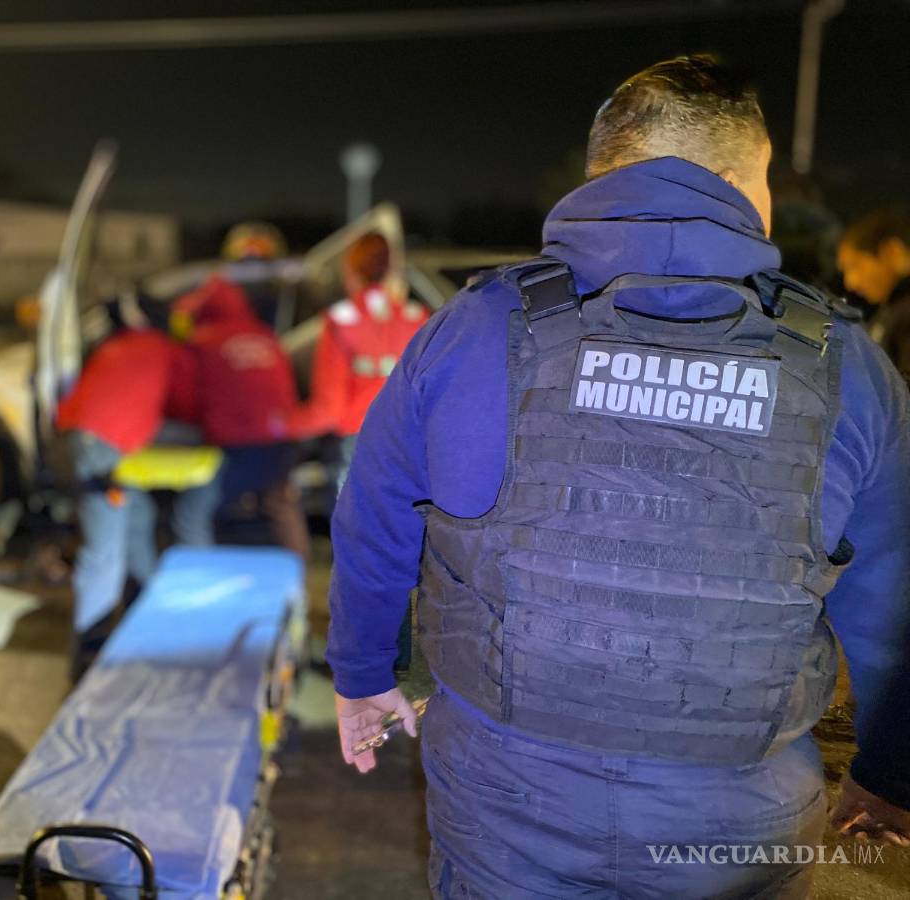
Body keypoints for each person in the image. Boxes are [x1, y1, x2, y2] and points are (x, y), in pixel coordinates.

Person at [329, 55, 910, 898]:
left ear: (603, 173)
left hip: (504, 800)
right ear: (747, 179)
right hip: (731, 825)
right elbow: (898, 598)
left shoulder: (475, 327)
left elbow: (375, 515)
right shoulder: (847, 367)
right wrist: (891, 773)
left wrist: (363, 675)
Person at [54, 296, 196, 671]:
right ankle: (89, 654)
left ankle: (147, 613)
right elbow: (188, 401)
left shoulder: (123, 343)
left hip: (83, 437)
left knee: (137, 518)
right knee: (105, 551)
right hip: (100, 445)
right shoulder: (166, 351)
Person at [171, 274, 310, 558]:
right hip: (281, 444)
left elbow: (183, 402)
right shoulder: (267, 337)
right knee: (282, 507)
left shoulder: (201, 343)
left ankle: (202, 589)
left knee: (190, 514)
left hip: (234, 450)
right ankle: (297, 591)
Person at [280, 231, 427, 483]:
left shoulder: (341, 322)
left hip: (357, 444)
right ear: (392, 270)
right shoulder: (416, 317)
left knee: (353, 520)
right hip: (409, 443)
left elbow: (329, 409)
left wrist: (283, 424)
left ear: (350, 272)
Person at [837, 210, 910, 378]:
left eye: (855, 266)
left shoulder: (904, 314)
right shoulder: (892, 311)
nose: (850, 282)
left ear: (892, 252)